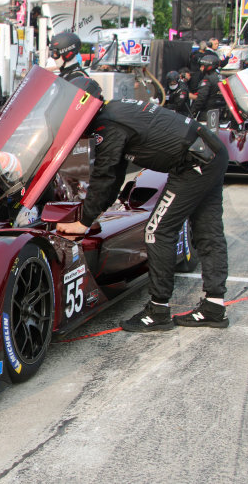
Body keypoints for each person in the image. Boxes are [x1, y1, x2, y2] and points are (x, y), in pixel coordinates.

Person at [57, 78, 229, 333]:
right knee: (208, 231)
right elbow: (114, 176)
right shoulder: (115, 111)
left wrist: (83, 222)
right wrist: (93, 213)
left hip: (193, 163)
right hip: (210, 152)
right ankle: (214, 307)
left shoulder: (109, 125)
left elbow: (104, 176)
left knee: (158, 230)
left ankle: (158, 310)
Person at [191, 54, 225, 124]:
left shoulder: (207, 79)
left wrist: (192, 112)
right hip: (221, 113)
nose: (201, 68)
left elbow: (201, 98)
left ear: (208, 66)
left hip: (207, 114)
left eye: (202, 66)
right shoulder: (223, 78)